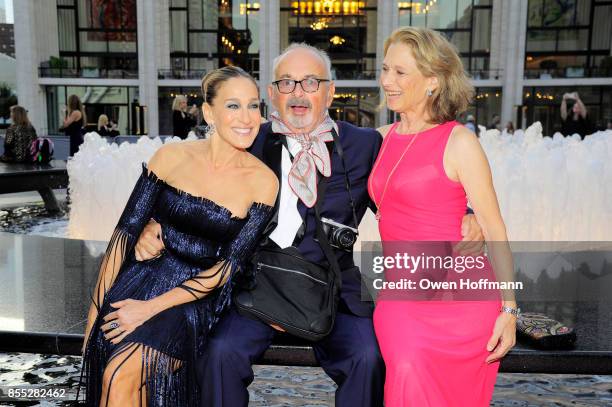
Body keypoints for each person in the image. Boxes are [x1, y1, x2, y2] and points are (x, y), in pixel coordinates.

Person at [135, 43, 486, 407]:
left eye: (310, 83)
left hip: (333, 289)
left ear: (330, 91)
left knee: (368, 357)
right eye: (286, 83)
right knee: (219, 351)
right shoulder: (248, 140)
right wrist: (156, 224)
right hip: (257, 285)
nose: (298, 93)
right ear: (272, 94)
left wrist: (467, 209)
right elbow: (197, 183)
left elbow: (413, 177)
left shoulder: (365, 144)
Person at [79, 66, 277, 407]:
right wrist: (91, 324)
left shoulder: (263, 182)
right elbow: (122, 238)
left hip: (193, 300)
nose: (247, 117)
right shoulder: (170, 157)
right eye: (233, 106)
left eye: (254, 106)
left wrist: (148, 310)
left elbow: (226, 270)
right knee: (110, 367)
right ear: (208, 112)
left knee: (120, 374)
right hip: (140, 279)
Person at [371, 27, 517, 406]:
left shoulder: (460, 142)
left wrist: (509, 310)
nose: (387, 80)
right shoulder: (379, 138)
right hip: (401, 294)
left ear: (433, 81)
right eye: (386, 69)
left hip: (464, 299)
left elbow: (496, 226)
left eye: (400, 72)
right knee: (405, 367)